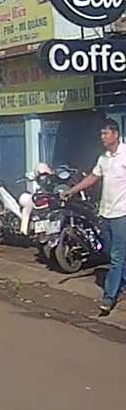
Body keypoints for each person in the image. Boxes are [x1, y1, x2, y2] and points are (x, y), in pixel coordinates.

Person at [60, 118, 126, 316]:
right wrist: (72, 190)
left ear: (116, 134)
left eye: (105, 133)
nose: (102, 137)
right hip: (105, 213)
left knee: (116, 257)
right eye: (101, 134)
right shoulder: (104, 158)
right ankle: (122, 282)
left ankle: (109, 297)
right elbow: (93, 177)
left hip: (122, 214)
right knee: (110, 252)